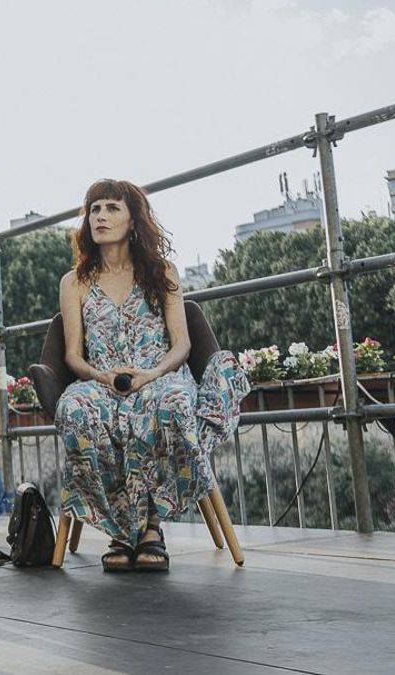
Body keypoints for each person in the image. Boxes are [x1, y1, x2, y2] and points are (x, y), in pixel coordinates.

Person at [54, 179, 249, 572]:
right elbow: (72, 355)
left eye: (111, 208)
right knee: (75, 408)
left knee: (172, 404)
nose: (101, 217)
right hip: (101, 380)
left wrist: (152, 373)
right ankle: (121, 527)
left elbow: (183, 345)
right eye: (94, 209)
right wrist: (100, 375)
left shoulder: (162, 272)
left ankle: (151, 528)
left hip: (159, 374)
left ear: (133, 220)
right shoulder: (73, 282)